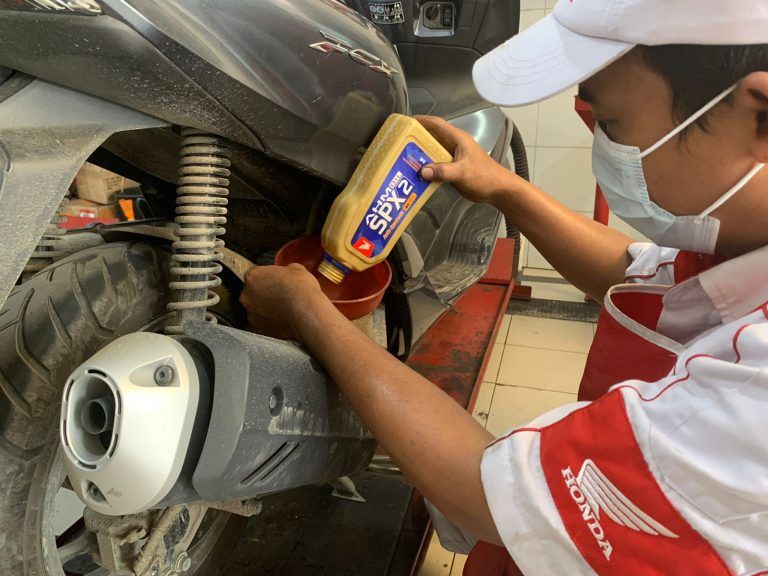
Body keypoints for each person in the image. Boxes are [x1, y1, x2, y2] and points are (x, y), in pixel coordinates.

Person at [240, 0, 768, 573]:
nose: (605, 149)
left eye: (613, 124)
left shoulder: (756, 394)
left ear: (759, 113)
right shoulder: (738, 246)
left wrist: (309, 313)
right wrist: (503, 187)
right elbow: (638, 276)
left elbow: (486, 492)